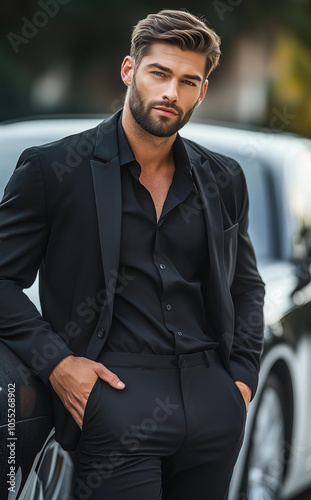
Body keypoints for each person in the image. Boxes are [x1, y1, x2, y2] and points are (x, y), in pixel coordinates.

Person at [0, 9, 265, 500]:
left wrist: (241, 382)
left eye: (189, 81)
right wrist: (59, 365)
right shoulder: (54, 169)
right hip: (114, 398)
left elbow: (245, 285)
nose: (171, 93)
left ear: (202, 92)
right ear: (129, 71)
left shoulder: (224, 178)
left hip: (213, 402)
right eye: (159, 73)